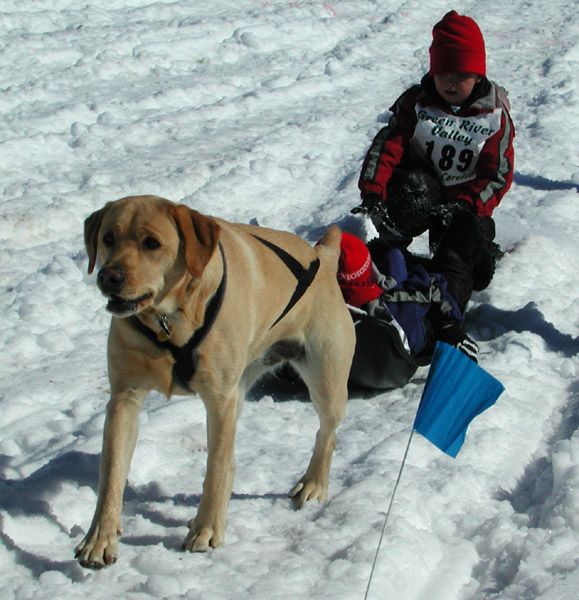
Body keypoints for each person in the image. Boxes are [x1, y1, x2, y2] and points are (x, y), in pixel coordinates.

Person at [355, 10, 515, 310]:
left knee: (461, 258)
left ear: (478, 73)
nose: (450, 84)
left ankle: (465, 273)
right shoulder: (417, 103)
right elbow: (387, 146)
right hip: (423, 186)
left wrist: (469, 205)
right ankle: (392, 258)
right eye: (443, 75)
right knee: (409, 192)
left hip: (464, 202)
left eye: (460, 76)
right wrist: (374, 191)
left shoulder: (493, 115)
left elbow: (497, 173)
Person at [338, 231, 479, 367]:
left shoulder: (331, 321)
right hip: (433, 321)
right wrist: (448, 328)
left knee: (386, 252)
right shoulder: (395, 306)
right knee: (463, 228)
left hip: (381, 348)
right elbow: (431, 288)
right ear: (369, 275)